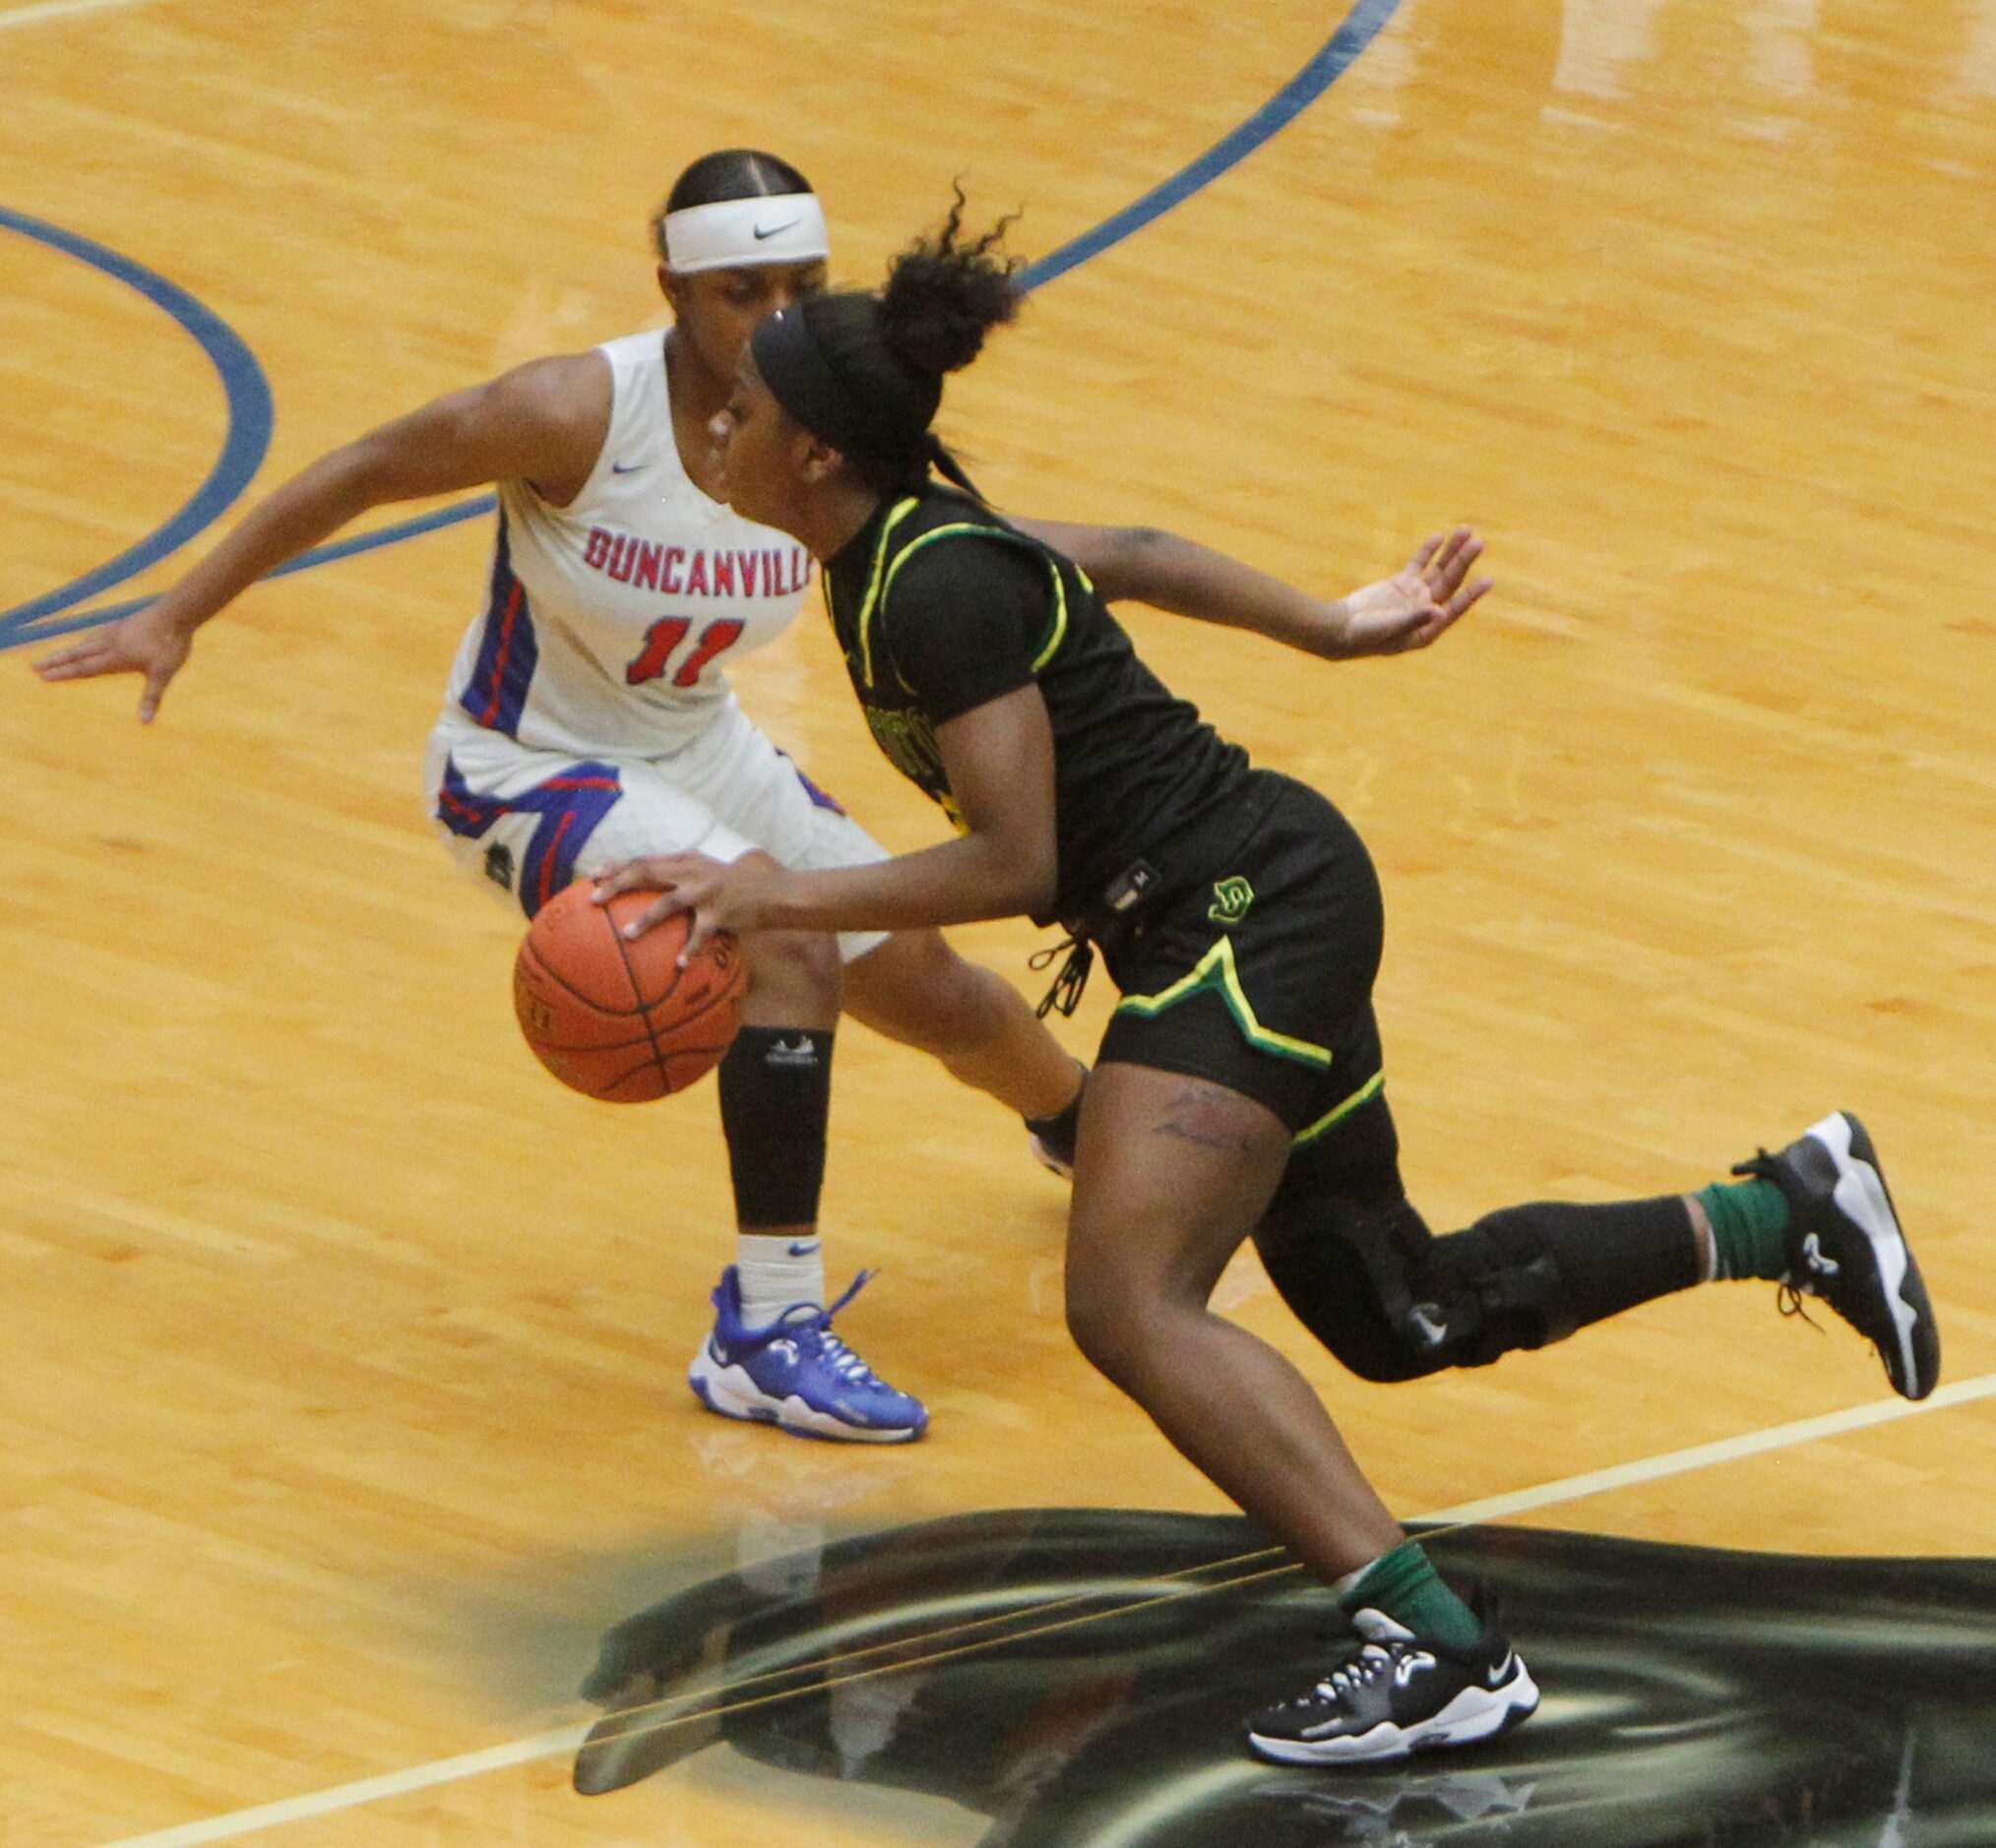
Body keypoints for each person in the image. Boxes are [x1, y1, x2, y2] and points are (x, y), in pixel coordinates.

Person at [591, 199, 1942, 1762]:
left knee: (1129, 1300)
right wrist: (1330, 623)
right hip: (1248, 902)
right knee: (1399, 1310)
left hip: (1243, 913)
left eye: (746, 406)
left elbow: (1016, 863)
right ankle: (1792, 1206)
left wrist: (779, 893)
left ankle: (1441, 1647)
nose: (721, 419)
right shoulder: (898, 547)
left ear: (818, 450)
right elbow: (1132, 557)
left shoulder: (928, 581)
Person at [32, 149, 1212, 1446]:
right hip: (525, 761)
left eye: (800, 284)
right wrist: (179, 612)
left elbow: (1022, 549)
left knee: (934, 987)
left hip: (696, 738)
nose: (773, 315)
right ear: (672, 289)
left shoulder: (823, 421)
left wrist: (1315, 616)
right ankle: (765, 1330)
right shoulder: (572, 411)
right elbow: (365, 466)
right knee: (787, 936)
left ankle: (1082, 1127)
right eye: (738, 290)